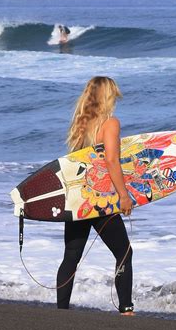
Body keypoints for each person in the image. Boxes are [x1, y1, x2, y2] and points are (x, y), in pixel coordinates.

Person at [56, 76, 135, 315]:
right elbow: (111, 161)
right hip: (100, 201)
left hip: (78, 198)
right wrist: (123, 195)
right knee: (124, 252)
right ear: (108, 97)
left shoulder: (80, 126)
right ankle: (126, 307)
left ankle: (61, 310)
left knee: (71, 255)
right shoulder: (110, 124)